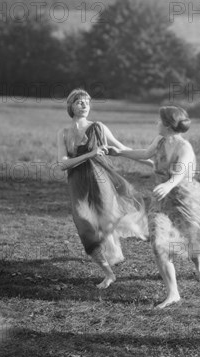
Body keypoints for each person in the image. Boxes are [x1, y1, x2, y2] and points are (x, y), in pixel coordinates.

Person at [110, 106, 200, 307]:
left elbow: (180, 173)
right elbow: (145, 153)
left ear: (167, 125)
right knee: (158, 244)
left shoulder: (185, 148)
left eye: (159, 121)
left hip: (184, 200)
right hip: (161, 201)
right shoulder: (160, 140)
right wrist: (120, 152)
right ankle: (173, 293)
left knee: (191, 237)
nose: (156, 124)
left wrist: (168, 184)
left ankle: (199, 267)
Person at [56, 89, 149, 289]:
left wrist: (151, 162)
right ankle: (109, 273)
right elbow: (62, 164)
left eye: (86, 102)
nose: (84, 105)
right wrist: (90, 154)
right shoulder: (63, 133)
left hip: (101, 181)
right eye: (79, 102)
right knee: (84, 224)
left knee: (107, 222)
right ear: (70, 106)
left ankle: (125, 243)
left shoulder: (98, 127)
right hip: (78, 184)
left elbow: (121, 148)